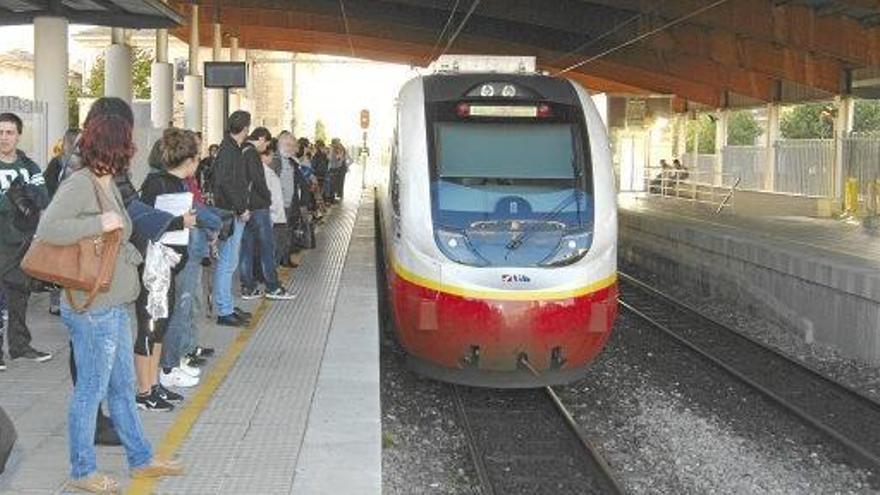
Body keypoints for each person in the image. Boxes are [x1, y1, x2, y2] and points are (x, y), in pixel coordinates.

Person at [37, 107, 183, 493]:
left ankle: (141, 458)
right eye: (127, 142)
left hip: (111, 303)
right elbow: (48, 228)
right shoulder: (81, 183)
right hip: (91, 308)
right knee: (91, 390)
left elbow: (122, 233)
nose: (132, 149)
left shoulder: (107, 182)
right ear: (114, 145)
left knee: (122, 387)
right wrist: (96, 223)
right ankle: (82, 469)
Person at [133, 137, 198, 411]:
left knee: (160, 325)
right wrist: (180, 221)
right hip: (153, 268)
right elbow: (145, 223)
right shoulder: (156, 184)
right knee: (149, 326)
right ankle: (143, 391)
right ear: (188, 161)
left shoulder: (173, 184)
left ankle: (155, 382)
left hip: (168, 266)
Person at [0, 112, 51, 371]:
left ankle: (20, 346)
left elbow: (43, 197)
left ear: (18, 135)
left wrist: (23, 194)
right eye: (0, 132)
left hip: (21, 244)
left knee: (20, 296)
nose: (4, 137)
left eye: (9, 132)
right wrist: (13, 199)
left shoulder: (29, 166)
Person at [239, 128, 295, 301]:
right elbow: (258, 181)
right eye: (267, 144)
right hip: (259, 208)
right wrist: (268, 198)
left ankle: (248, 287)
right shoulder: (252, 154)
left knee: (247, 248)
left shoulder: (241, 151)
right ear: (262, 139)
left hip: (247, 208)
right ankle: (273, 286)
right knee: (266, 248)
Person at [210, 111, 254, 327]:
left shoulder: (230, 148)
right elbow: (226, 183)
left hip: (231, 210)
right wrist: (241, 208)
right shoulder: (229, 150)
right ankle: (224, 310)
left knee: (230, 262)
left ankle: (226, 304)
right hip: (230, 212)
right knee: (227, 263)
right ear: (245, 128)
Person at [44, 128, 80, 316]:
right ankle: (70, 300)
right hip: (75, 218)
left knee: (59, 262)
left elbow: (47, 189)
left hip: (60, 218)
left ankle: (57, 302)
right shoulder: (86, 164)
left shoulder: (56, 163)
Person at [261, 141, 288, 267]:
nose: (272, 158)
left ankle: (270, 270)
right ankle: (270, 272)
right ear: (264, 156)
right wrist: (273, 211)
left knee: (275, 246)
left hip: (275, 215)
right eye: (271, 155)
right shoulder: (265, 173)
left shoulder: (268, 171)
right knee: (273, 247)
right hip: (272, 216)